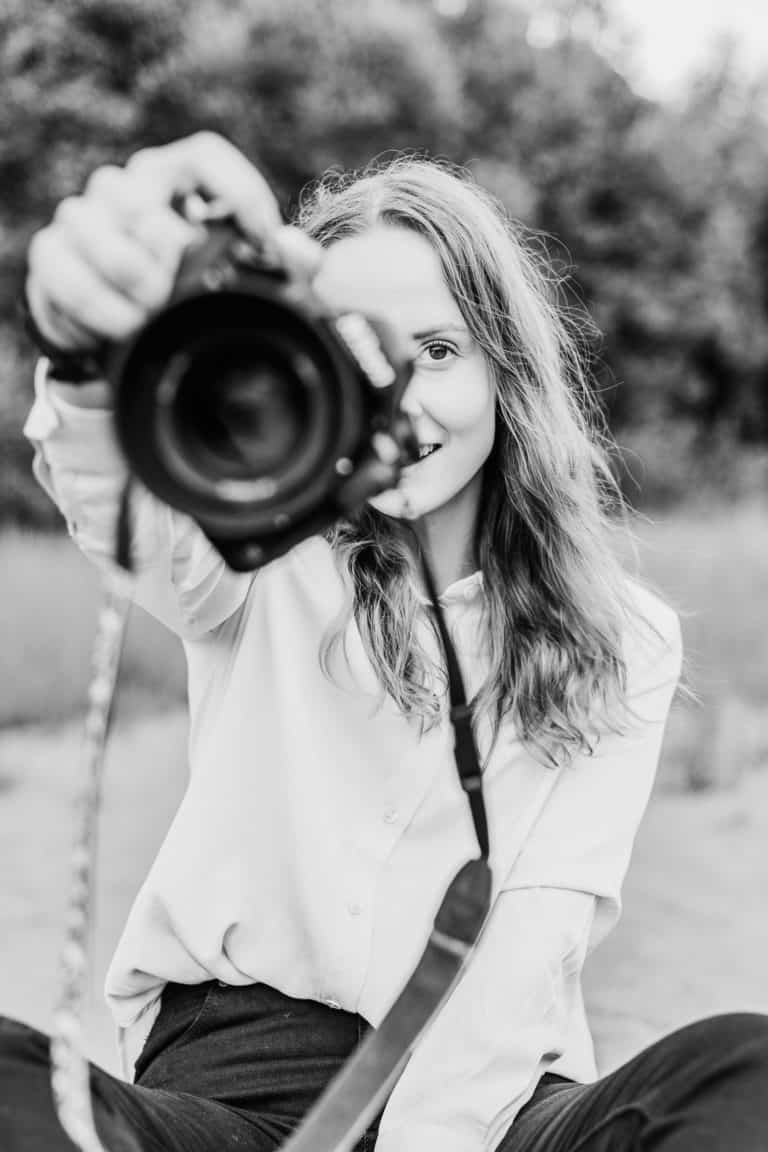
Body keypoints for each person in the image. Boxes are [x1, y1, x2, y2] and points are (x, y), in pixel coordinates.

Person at [2, 131, 767, 1152]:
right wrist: (88, 350)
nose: (403, 396)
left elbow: (527, 948)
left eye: (439, 351)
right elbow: (117, 507)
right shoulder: (256, 554)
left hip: (491, 1101)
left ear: (505, 374)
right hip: (236, 1085)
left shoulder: (625, 636)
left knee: (741, 1073)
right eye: (363, 351)